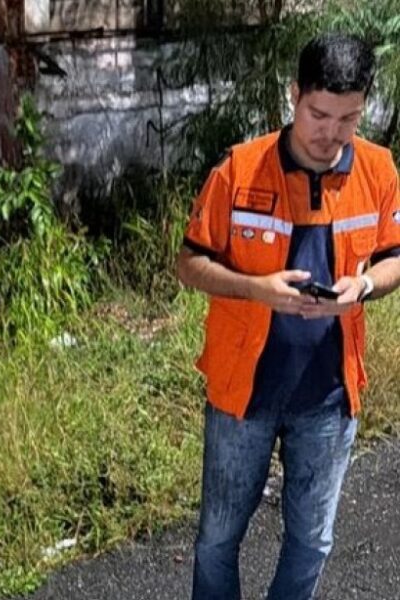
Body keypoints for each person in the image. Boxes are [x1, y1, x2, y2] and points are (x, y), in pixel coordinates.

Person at [177, 33, 400, 600]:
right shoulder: (239, 169)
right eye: (318, 114)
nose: (331, 134)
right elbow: (189, 263)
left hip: (328, 398)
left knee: (312, 541)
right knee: (217, 540)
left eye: (348, 119)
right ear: (294, 94)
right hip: (243, 396)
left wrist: (364, 285)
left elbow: (395, 257)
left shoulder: (378, 171)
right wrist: (256, 289)